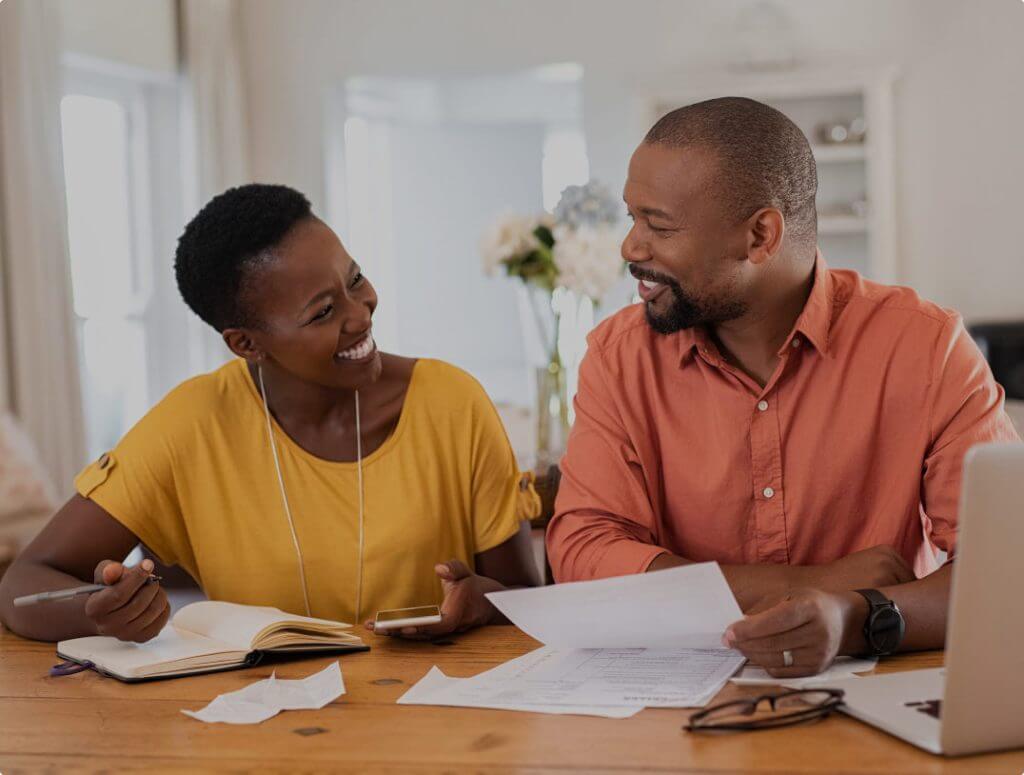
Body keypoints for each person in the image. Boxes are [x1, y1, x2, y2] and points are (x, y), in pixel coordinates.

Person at [546, 97, 1019, 677]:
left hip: (877, 695)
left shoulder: (925, 347)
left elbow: (1002, 569)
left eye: (659, 226)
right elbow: (583, 551)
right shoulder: (618, 358)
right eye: (632, 217)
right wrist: (806, 584)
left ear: (761, 236)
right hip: (671, 708)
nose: (631, 247)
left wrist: (852, 617)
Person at [0, 184, 540, 643]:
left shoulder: (451, 402)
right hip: (260, 727)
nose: (361, 313)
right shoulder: (191, 425)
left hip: (442, 726)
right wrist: (99, 614)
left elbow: (524, 600)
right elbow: (23, 582)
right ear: (246, 344)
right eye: (324, 311)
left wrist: (478, 603)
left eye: (355, 279)